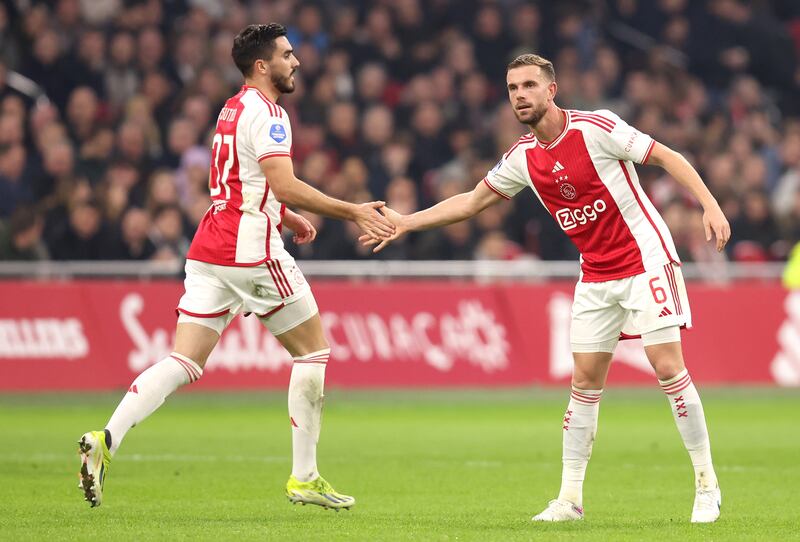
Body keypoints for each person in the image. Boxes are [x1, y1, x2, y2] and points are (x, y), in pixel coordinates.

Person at [363, 54, 730, 524]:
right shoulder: (522, 157)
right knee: (583, 383)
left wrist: (710, 206)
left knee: (666, 366)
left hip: (646, 260)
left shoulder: (596, 128)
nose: (520, 95)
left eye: (529, 85)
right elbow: (473, 201)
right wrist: (406, 222)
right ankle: (570, 500)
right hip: (596, 273)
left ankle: (706, 485)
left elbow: (667, 156)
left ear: (551, 90)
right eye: (513, 87)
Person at [77, 23, 395, 510]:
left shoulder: (231, 107)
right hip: (252, 251)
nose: (297, 62)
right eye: (288, 55)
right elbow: (282, 183)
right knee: (312, 354)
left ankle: (106, 438)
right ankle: (305, 477)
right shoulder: (271, 115)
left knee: (184, 361)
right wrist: (351, 210)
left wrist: (286, 216)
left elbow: (240, 180)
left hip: (209, 250)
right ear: (263, 65)